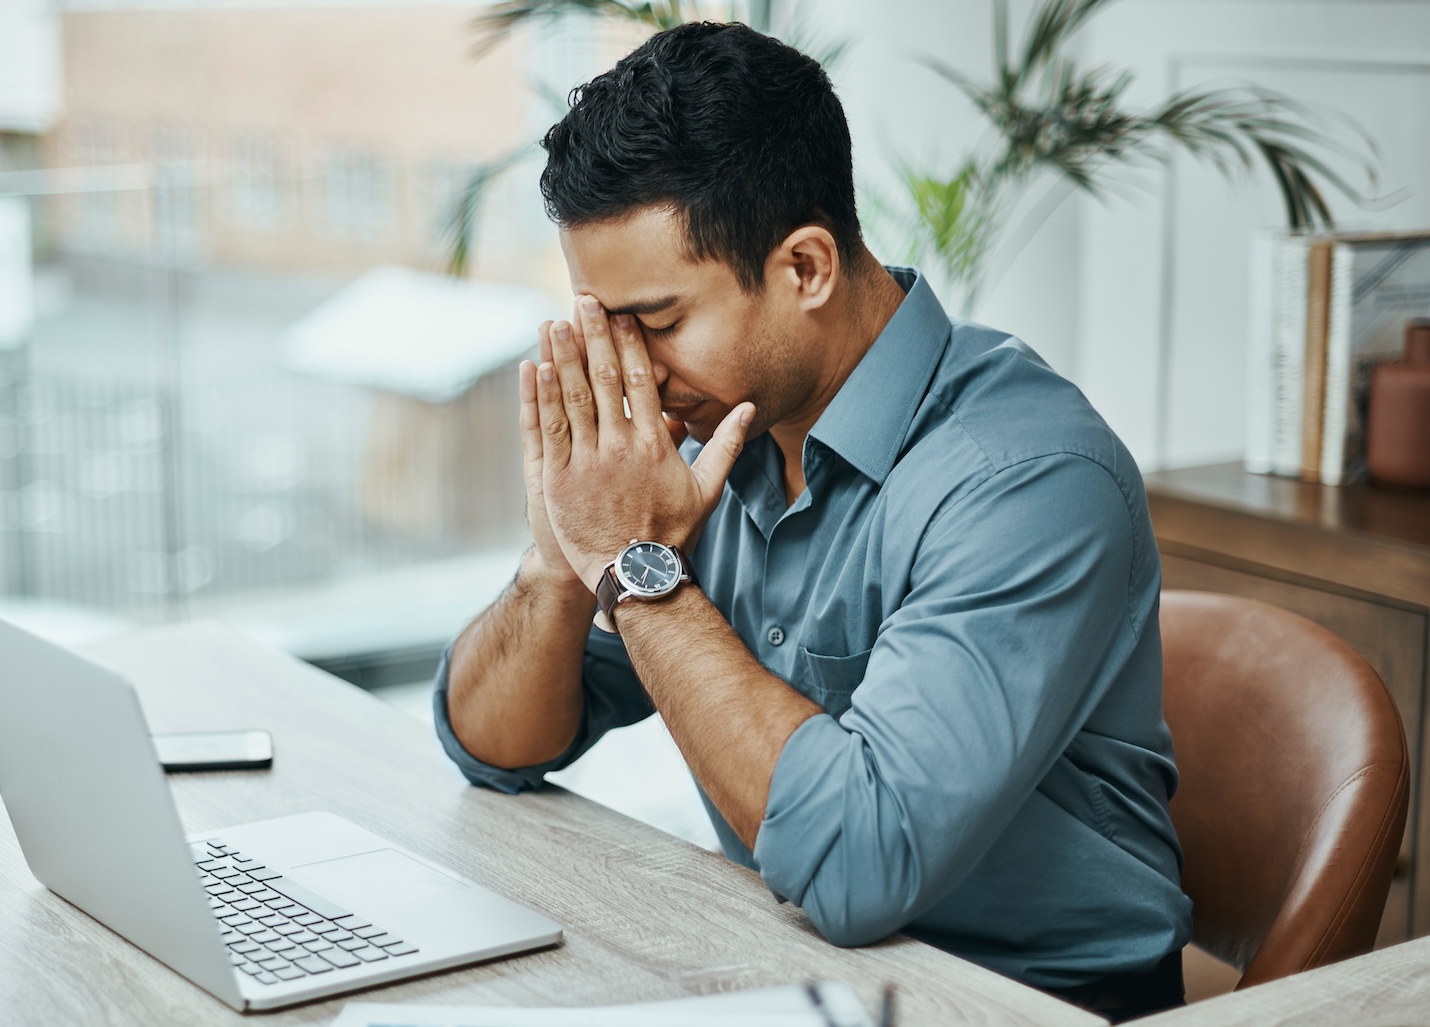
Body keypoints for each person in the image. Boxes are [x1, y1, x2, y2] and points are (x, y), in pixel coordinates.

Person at [431, 21, 1192, 1022]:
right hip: (780, 968)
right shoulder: (709, 445)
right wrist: (562, 555)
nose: (630, 368)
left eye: (656, 322)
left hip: (1027, 1001)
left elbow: (858, 866)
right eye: (606, 325)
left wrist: (634, 560)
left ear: (804, 268)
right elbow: (493, 743)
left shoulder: (1027, 479)